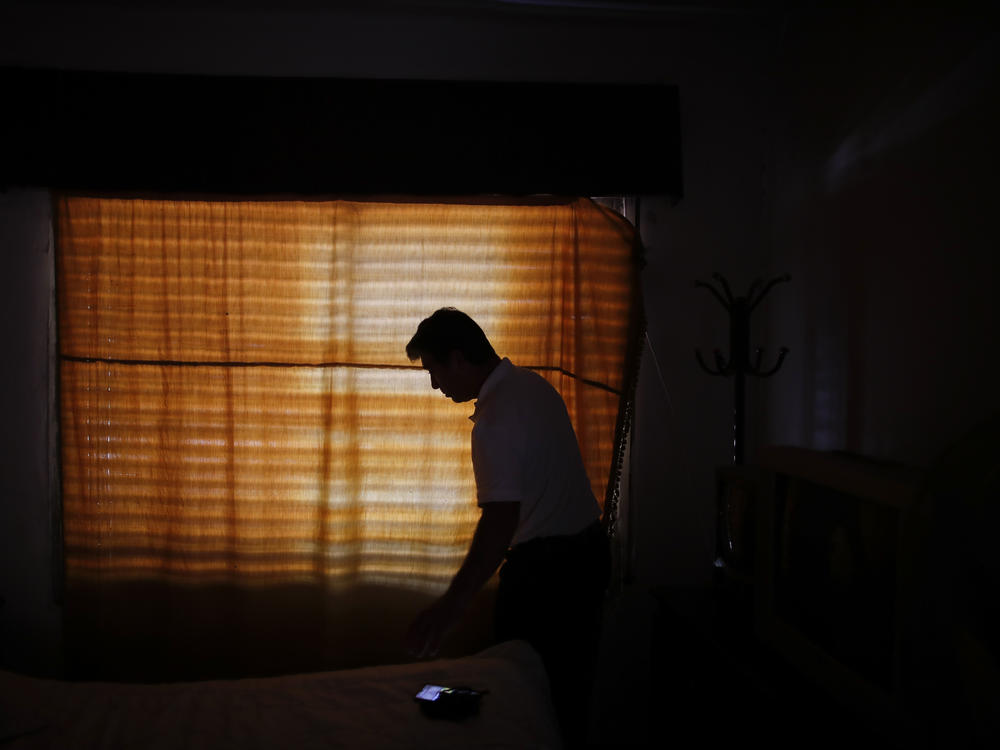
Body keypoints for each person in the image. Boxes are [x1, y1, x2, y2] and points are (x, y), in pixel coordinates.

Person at [404, 307, 611, 747]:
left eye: (434, 371)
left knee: (525, 697)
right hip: (587, 557)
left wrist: (451, 606)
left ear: (458, 358)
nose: (435, 385)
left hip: (548, 575)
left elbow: (501, 520)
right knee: (567, 692)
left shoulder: (496, 419)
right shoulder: (533, 387)